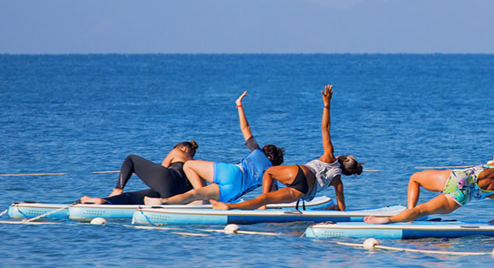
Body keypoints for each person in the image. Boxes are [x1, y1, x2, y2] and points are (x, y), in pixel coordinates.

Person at [366, 100, 494, 225]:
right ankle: (391, 220)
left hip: (456, 177)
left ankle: (409, 215)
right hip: (458, 196)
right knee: (423, 210)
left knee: (414, 178)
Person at [211, 85, 362, 211]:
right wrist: (332, 208)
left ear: (343, 158)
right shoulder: (338, 181)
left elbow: (325, 128)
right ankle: (230, 207)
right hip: (303, 191)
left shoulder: (329, 156)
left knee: (269, 172)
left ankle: (261, 206)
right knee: (268, 193)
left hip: (302, 172)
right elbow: (342, 209)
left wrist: (326, 104)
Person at [144, 91, 284, 205]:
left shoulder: (257, 152)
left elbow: (245, 128)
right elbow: (272, 198)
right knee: (196, 194)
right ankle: (179, 201)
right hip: (235, 191)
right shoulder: (272, 175)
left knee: (189, 166)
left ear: (266, 151)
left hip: (232, 172)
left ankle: (167, 201)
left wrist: (239, 105)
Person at [79, 141, 200, 205]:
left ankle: (117, 189)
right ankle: (104, 201)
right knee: (132, 197)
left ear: (184, 148)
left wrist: (154, 180)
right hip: (177, 192)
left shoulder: (178, 151)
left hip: (168, 179)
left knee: (131, 159)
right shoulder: (194, 163)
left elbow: (164, 167)